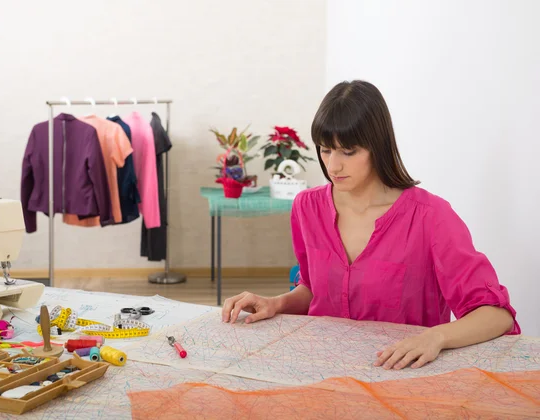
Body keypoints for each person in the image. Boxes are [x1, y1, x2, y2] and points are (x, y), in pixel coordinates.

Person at [221, 80, 519, 371]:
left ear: (378, 147)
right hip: (320, 369)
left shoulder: (431, 217)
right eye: (325, 150)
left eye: (348, 152)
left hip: (400, 377)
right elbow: (316, 291)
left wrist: (436, 337)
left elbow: (496, 315)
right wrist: (275, 304)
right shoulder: (306, 207)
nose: (333, 166)